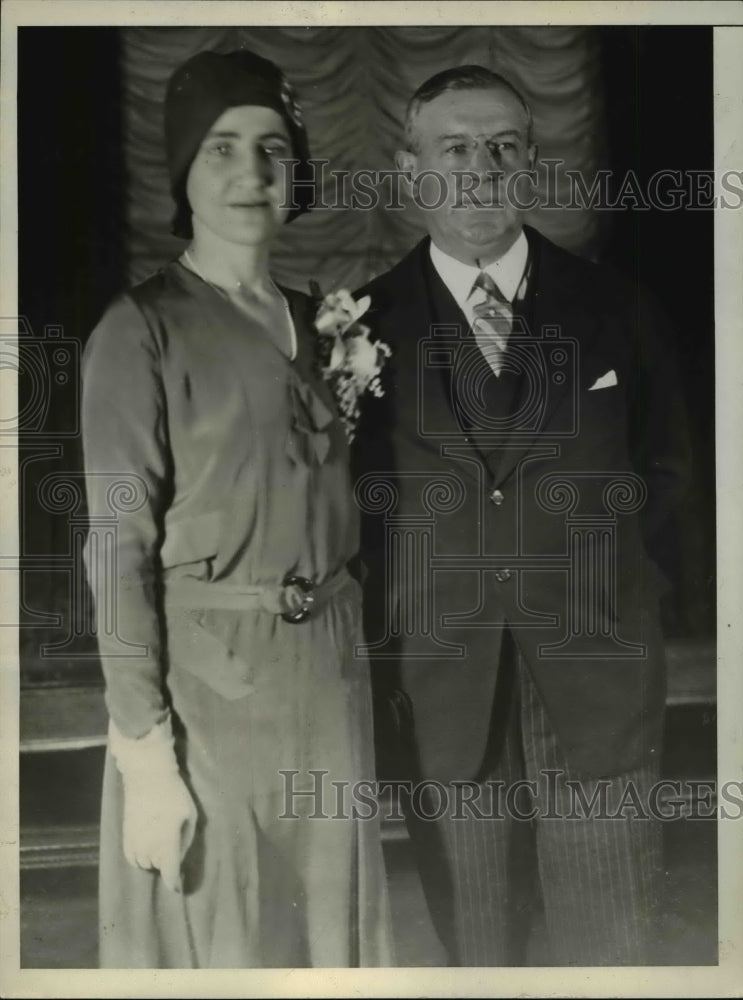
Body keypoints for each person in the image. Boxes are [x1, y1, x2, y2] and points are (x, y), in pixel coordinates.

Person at [352, 65, 690, 966]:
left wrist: (612, 595)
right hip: (445, 691)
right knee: (478, 955)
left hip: (597, 675)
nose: (480, 168)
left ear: (532, 163)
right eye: (454, 148)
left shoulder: (618, 309)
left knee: (612, 953)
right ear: (410, 167)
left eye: (503, 146)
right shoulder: (358, 328)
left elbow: (671, 476)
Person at [82, 49, 392, 969]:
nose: (250, 174)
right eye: (220, 149)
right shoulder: (138, 330)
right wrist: (144, 752)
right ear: (183, 172)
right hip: (209, 690)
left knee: (332, 940)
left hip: (329, 681)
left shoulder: (326, 320)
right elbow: (116, 550)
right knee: (227, 939)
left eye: (271, 148)